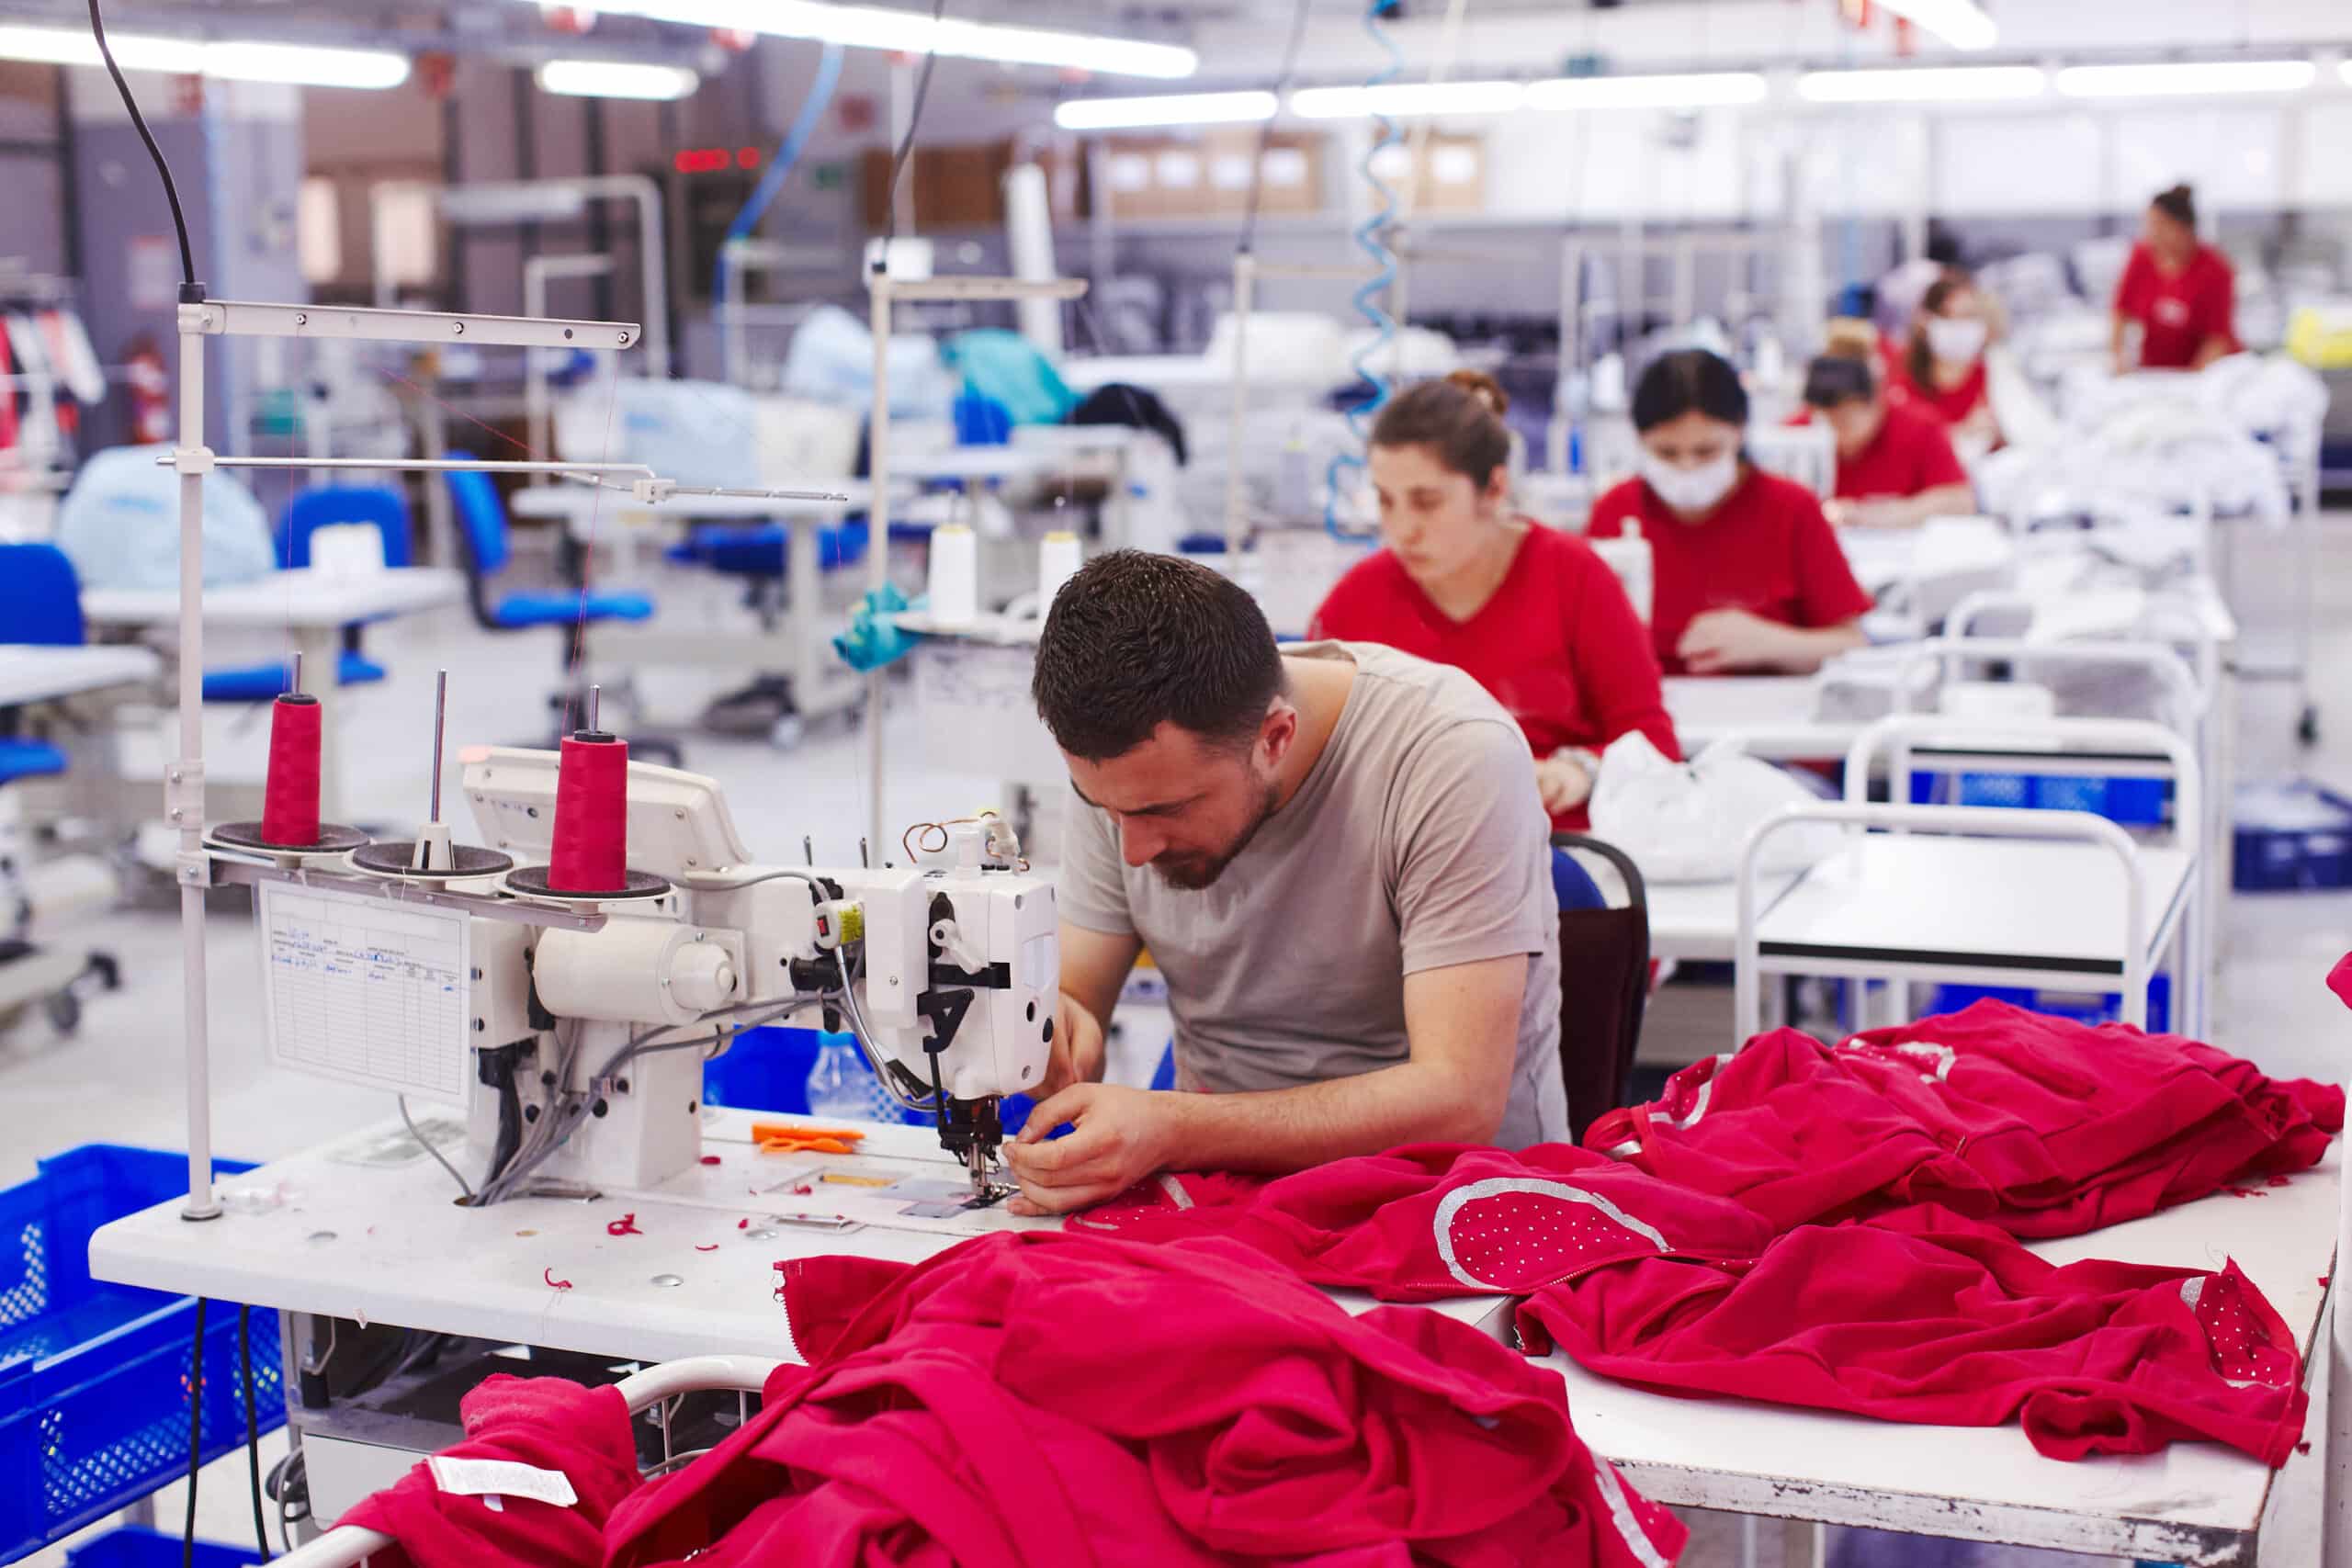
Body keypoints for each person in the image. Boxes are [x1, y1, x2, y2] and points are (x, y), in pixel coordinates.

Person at [1004, 551, 1566, 1214]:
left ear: (1275, 737)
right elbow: (1076, 996)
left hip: (1451, 1201)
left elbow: (1459, 1098)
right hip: (1221, 1191)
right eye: (1105, 808)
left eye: (1163, 812)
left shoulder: (1451, 755)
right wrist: (1057, 1032)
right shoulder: (1130, 777)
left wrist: (1177, 1125)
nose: (1132, 849)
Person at [1308, 369, 1677, 831]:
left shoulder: (1574, 578)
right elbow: (1305, 759)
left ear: (1495, 489)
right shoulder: (1355, 603)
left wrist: (1579, 769)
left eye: (1427, 502)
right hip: (1406, 857)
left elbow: (1654, 744)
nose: (1402, 529)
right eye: (1385, 501)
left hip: (1561, 849)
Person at [1588, 349, 1871, 677]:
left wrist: (1770, 643)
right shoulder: (1615, 510)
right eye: (1666, 452)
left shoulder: (1792, 509)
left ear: (1739, 433)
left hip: (1770, 715)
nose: (1687, 467)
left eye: (1706, 451)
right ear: (1638, 440)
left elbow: (1853, 644)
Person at [1801, 325, 1976, 529]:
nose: (1835, 429)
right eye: (1828, 417)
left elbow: (1961, 500)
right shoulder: (1800, 434)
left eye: (1845, 418)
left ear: (1876, 401)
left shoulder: (1919, 428)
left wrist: (1891, 513)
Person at [2113, 184, 2238, 372]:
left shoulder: (2216, 270)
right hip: (2155, 373)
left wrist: (2192, 384)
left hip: (2205, 374)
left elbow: (2217, 340)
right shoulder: (2141, 257)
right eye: (2148, 225)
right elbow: (2120, 313)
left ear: (2182, 229)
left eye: (2158, 226)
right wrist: (2119, 358)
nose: (2151, 234)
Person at [1888, 274, 2001, 457]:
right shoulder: (1901, 373)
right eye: (1947, 316)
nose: (1959, 326)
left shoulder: (1984, 372)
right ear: (1925, 321)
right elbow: (1899, 443)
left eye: (1967, 316)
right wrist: (1961, 431)